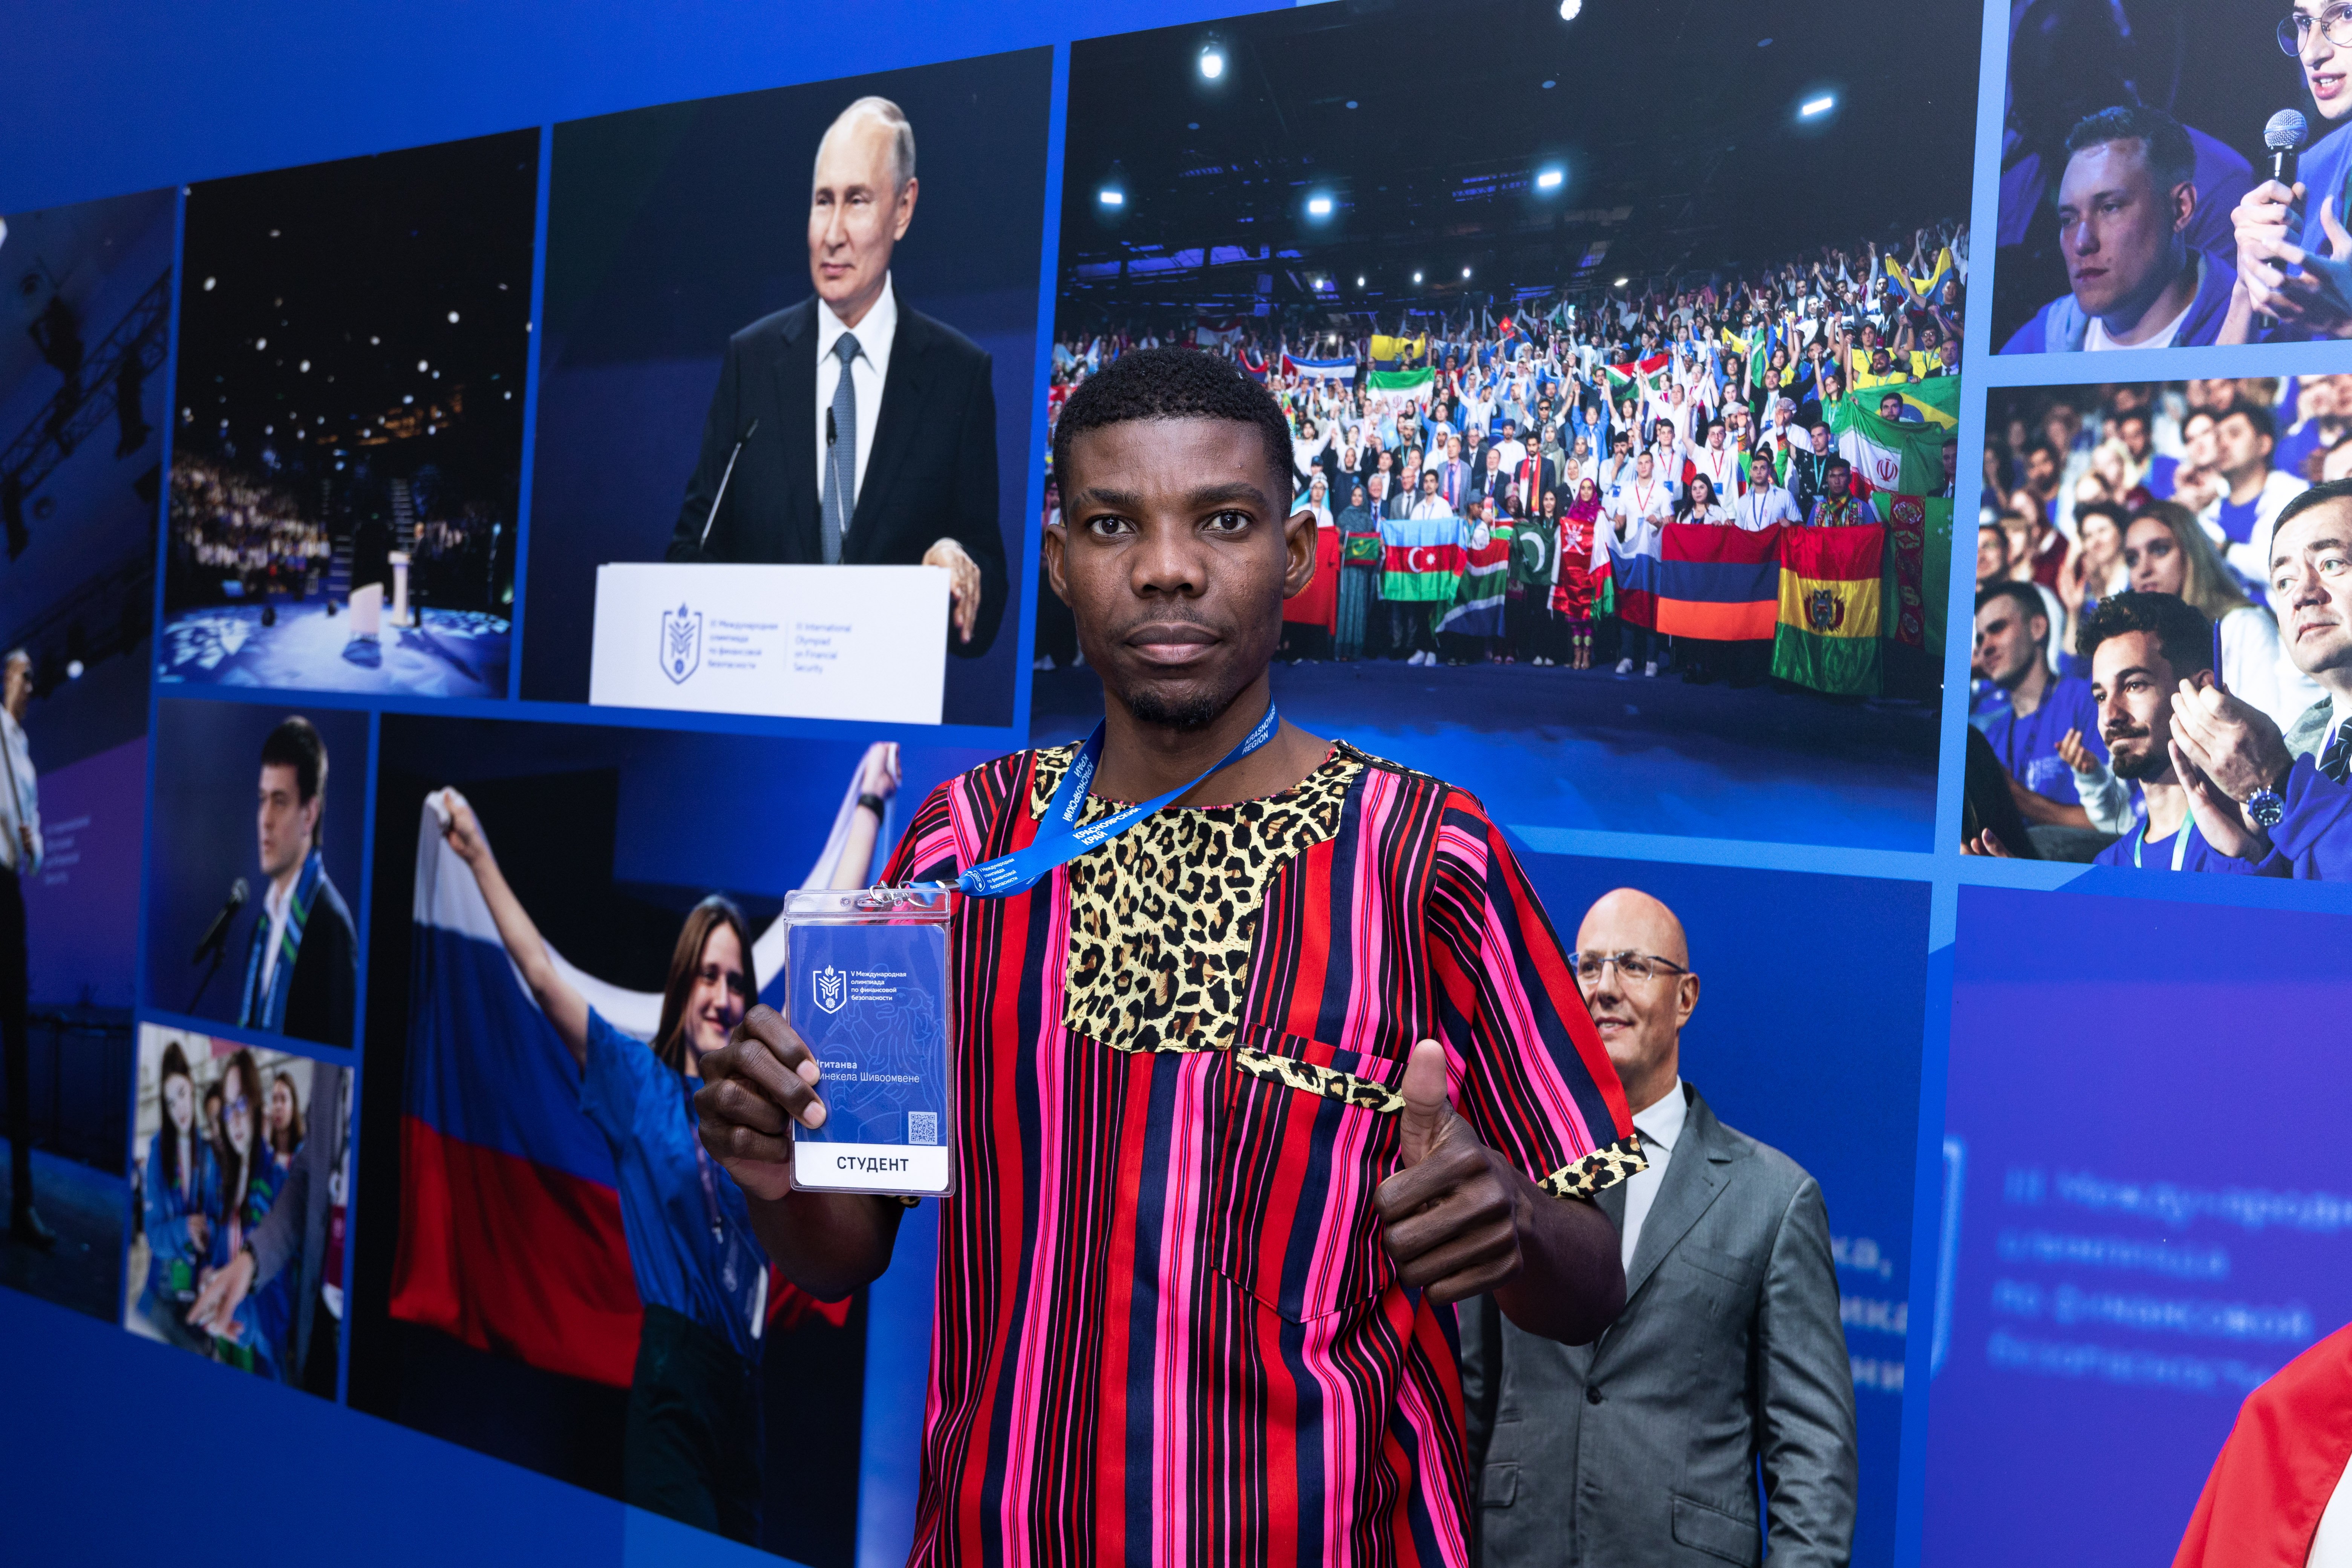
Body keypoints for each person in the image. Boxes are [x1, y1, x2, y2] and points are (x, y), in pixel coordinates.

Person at [692, 346, 1638, 1562]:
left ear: (1297, 555)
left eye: (1225, 521)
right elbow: (846, 1247)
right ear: (1058, 562)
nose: (1168, 568)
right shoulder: (958, 846)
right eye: (1112, 525)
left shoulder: (1430, 857)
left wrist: (1516, 1224)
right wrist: (776, 1178)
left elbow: (1594, 1281)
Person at [432, 744, 899, 1540]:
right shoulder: (634, 1082)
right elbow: (541, 974)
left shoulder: (763, 1098)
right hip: (673, 1379)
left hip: (745, 1391)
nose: (723, 996)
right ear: (683, 988)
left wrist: (871, 802)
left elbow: (824, 932)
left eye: (736, 981)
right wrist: (476, 854)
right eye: (709, 976)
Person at [1462, 889, 1857, 1567]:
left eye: (1634, 966)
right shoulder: (1511, 1175)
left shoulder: (1775, 1198)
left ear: (1686, 998)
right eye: (1587, 967)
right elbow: (1469, 1397)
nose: (1604, 988)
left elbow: (1812, 1457)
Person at [663, 96, 1007, 658]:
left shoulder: (958, 376)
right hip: (759, 695)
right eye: (823, 201)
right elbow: (689, 552)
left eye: (857, 200)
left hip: (885, 701)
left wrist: (957, 570)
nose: (833, 233)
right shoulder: (752, 361)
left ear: (903, 208)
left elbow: (986, 596)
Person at [2166, 480, 2352, 879]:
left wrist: (2280, 782)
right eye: (2283, 581)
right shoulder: (2301, 742)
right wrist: (2250, 853)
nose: (2302, 594)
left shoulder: (2282, 763)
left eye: (2331, 563)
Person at [2072, 593, 2285, 874]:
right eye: (2101, 697)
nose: (2110, 715)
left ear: (2201, 689)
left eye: (2134, 685)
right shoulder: (2107, 867)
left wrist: (2245, 856)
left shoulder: (2262, 833)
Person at [2001, 105, 2233, 353]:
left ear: (2180, 208)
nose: (2082, 243)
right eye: (2068, 219)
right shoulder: (2038, 344)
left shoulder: (2252, 329)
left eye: (2110, 208)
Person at [190, 1061, 350, 1398]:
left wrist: (237, 1312)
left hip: (263, 1360)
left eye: (241, 1104)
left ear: (257, 1105)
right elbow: (217, 1255)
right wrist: (209, 1278)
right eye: (227, 1110)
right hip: (225, 1350)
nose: (233, 1119)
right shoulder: (222, 1186)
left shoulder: (279, 1182)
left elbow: (280, 1304)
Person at [2122, 502, 2323, 730]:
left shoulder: (2244, 625)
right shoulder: (2142, 650)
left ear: (2192, 553)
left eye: (2160, 550)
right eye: (2132, 559)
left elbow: (2268, 732)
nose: (2144, 569)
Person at [2220, 0, 2352, 343]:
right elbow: (2223, 376)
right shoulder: (2310, 170)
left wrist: (2346, 324)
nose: (2312, 53)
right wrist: (2246, 287)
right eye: (2304, 23)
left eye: (2347, 14)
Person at [236, 718, 357, 1048]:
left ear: (310, 815)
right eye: (262, 799)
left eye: (280, 801)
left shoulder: (331, 926)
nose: (266, 819)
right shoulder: (262, 926)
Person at [1974, 583, 2105, 829]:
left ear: (2037, 628)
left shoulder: (2088, 702)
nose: (1985, 648)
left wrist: (2020, 798)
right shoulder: (1991, 737)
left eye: (1997, 629)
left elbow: (2118, 823)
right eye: (1980, 639)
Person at [0, 648, 48, 1250]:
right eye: (25, 675)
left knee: (18, 1050)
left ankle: (24, 1206)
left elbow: (39, 855)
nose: (32, 686)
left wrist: (35, 846)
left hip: (10, 893)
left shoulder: (30, 765)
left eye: (35, 678)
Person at [135, 1041, 219, 1352]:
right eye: (170, 1103)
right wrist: (185, 1229)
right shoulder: (158, 1153)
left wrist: (208, 1233)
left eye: (182, 1094)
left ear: (192, 1088)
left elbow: (217, 1220)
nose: (179, 1109)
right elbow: (153, 1235)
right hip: (162, 1296)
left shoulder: (208, 1154)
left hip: (199, 1293)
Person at [2199, 400, 2307, 597]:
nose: (2222, 445)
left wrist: (2225, 550)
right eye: (2218, 438)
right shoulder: (2208, 516)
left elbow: (2287, 569)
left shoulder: (2295, 495)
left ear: (2264, 444)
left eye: (2234, 434)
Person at [1555, 478, 1604, 671]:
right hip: (1574, 572)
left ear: (1594, 492)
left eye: (1589, 489)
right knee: (1575, 616)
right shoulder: (1572, 513)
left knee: (1588, 616)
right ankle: (1577, 653)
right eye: (1583, 488)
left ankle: (1587, 654)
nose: (1585, 492)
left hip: (1591, 570)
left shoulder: (1600, 513)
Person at [1334, 480, 1381, 662]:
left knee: (1359, 607)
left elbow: (1370, 545)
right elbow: (1336, 539)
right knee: (1345, 605)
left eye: (1360, 496)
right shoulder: (1343, 517)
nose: (1357, 498)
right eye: (1354, 495)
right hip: (1347, 571)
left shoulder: (1367, 519)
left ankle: (1355, 650)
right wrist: (1339, 546)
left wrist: (1378, 543)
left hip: (1362, 573)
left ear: (1364, 498)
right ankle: (1342, 649)